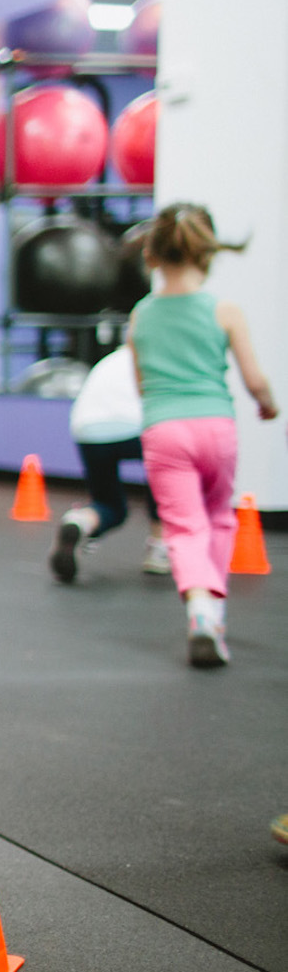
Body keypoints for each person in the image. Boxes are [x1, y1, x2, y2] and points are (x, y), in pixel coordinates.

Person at [126, 202, 277, 667]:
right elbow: (254, 380)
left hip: (165, 428)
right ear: (207, 254)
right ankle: (216, 610)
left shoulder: (141, 316)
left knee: (183, 526)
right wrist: (268, 404)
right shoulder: (224, 311)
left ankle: (200, 611)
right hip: (217, 427)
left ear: (153, 255)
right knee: (218, 517)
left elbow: (141, 384)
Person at [47, 346, 169, 583]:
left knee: (109, 504)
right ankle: (158, 547)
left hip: (87, 430)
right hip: (134, 426)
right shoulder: (159, 356)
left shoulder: (111, 360)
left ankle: (79, 522)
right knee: (164, 469)